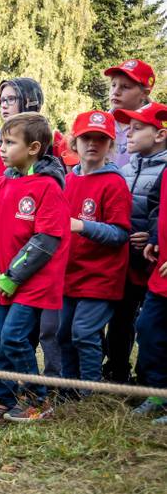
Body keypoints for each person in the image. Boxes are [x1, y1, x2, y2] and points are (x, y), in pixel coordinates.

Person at [0, 113, 69, 423]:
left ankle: (37, 399)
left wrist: (13, 277)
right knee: (0, 340)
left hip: (33, 282)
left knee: (14, 338)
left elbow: (45, 241)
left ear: (33, 147)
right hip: (5, 280)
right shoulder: (0, 184)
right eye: (1, 141)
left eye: (9, 142)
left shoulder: (48, 187)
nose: (1, 148)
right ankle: (6, 401)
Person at [59, 111, 131, 398]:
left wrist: (82, 226)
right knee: (64, 335)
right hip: (68, 274)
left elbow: (120, 233)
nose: (93, 144)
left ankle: (89, 392)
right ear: (75, 142)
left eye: (101, 139)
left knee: (83, 333)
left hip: (101, 277)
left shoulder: (114, 183)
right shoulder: (68, 180)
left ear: (110, 145)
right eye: (87, 137)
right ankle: (68, 388)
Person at [104, 102, 167, 383]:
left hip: (154, 263)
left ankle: (151, 383)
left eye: (137, 128)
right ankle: (119, 372)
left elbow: (156, 210)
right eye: (127, 128)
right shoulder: (125, 170)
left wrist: (151, 237)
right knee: (125, 320)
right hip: (127, 259)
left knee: (151, 325)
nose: (128, 134)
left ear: (160, 135)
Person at [138, 144, 167, 424]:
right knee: (147, 328)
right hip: (162, 273)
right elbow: (159, 205)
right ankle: (157, 393)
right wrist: (155, 237)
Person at [105, 59, 156, 168]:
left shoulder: (154, 128)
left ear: (144, 93)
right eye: (113, 85)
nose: (116, 92)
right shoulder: (100, 124)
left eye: (125, 87)